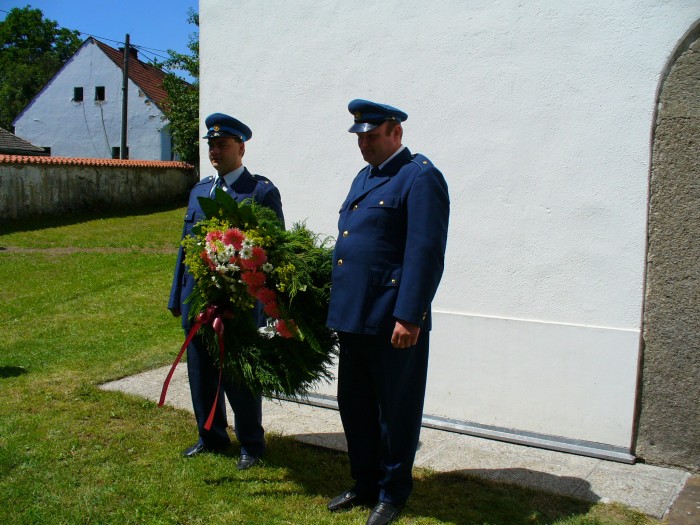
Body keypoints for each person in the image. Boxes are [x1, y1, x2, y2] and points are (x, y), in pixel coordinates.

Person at [326, 99, 450, 525]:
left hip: (392, 317)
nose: (364, 144)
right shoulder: (365, 177)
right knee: (354, 405)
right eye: (359, 137)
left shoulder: (419, 178)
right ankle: (365, 483)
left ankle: (393, 492)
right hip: (356, 314)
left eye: (372, 136)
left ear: (395, 132)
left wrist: (410, 315)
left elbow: (425, 252)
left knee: (396, 410)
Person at [168, 113, 284, 469]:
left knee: (239, 374)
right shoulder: (200, 190)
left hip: (239, 304)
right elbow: (186, 248)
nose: (215, 151)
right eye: (212, 145)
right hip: (197, 301)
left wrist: (266, 304)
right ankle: (211, 436)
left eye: (223, 145)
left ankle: (251, 444)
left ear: (241, 148)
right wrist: (177, 295)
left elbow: (273, 251)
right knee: (201, 371)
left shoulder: (260, 191)